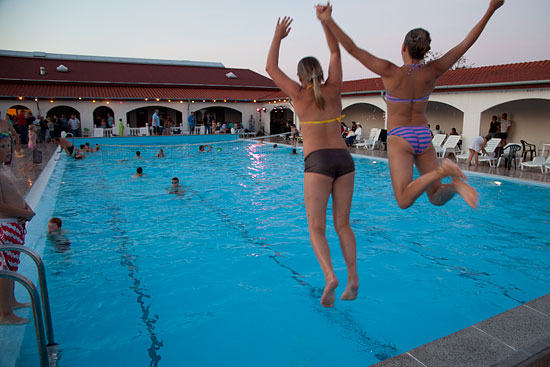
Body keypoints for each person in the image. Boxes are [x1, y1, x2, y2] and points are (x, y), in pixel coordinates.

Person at [317, 0, 504, 210]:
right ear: (424, 51)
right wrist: (490, 10)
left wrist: (328, 20)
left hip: (400, 137)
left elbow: (352, 48)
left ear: (404, 47)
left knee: (404, 200)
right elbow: (465, 44)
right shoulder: (433, 70)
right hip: (423, 135)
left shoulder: (390, 71)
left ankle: (441, 172)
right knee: (436, 196)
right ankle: (457, 187)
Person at [266, 14, 358, 308]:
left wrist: (278, 36)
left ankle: (331, 276)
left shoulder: (297, 93)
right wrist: (325, 22)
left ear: (301, 77)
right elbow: (335, 51)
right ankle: (353, 279)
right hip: (344, 159)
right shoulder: (334, 88)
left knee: (316, 228)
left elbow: (270, 67)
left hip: (317, 162)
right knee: (343, 225)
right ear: (319, 73)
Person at [0, 133, 35, 324]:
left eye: (8, 145)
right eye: (2, 147)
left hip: (15, 224)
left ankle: (11, 301)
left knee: (12, 266)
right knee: (5, 270)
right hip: (5, 227)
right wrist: (24, 213)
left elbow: (16, 195)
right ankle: (5, 314)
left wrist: (26, 208)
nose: (7, 150)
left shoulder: (5, 169)